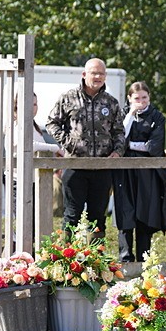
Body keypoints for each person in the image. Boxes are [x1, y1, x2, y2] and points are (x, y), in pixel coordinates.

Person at [45, 58, 125, 242]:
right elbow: (52, 123)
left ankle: (96, 264)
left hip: (102, 168)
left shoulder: (110, 102)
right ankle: (66, 261)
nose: (97, 77)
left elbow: (119, 131)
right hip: (75, 166)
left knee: (98, 218)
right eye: (94, 73)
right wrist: (68, 143)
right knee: (72, 215)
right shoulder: (68, 98)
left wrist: (118, 151)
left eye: (101, 73)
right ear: (84, 74)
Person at [112, 82, 166, 262]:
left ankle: (144, 259)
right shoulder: (123, 114)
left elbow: (154, 147)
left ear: (149, 97)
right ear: (129, 99)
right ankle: (125, 259)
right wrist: (130, 115)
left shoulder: (157, 117)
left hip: (147, 174)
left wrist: (130, 145)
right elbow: (120, 139)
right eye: (136, 98)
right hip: (125, 172)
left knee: (145, 214)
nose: (141, 102)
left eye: (144, 97)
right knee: (125, 213)